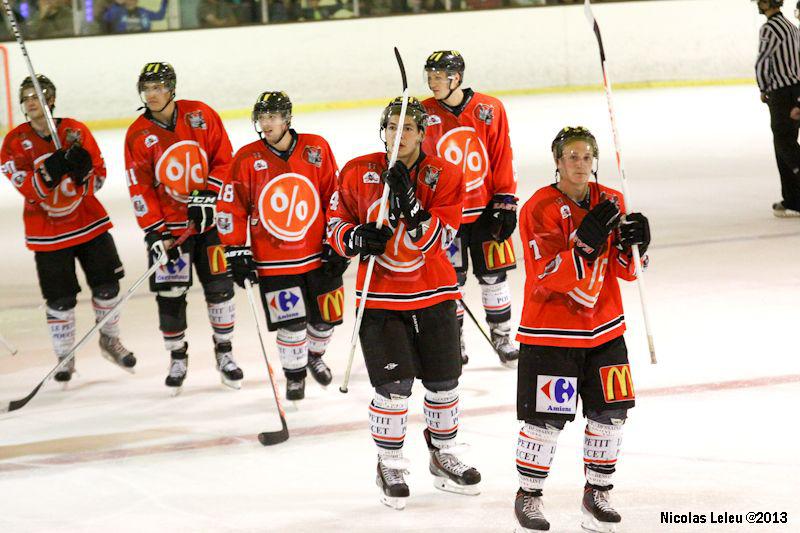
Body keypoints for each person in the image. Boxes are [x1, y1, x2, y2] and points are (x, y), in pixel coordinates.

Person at [327, 96, 480, 510]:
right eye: (392, 127)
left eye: (408, 128)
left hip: (435, 292)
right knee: (394, 388)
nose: (399, 135)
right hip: (379, 296)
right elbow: (334, 223)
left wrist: (411, 203)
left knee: (444, 382)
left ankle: (442, 454)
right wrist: (355, 237)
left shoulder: (445, 175)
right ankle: (389, 462)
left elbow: (437, 242)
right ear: (384, 130)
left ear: (422, 133)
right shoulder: (358, 170)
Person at [513, 127, 651, 532]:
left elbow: (627, 272)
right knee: (545, 421)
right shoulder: (538, 207)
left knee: (611, 414)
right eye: (571, 156)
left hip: (605, 328)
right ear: (556, 161)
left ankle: (598, 493)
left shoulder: (613, 199)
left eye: (586, 156)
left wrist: (637, 245)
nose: (579, 164)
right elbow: (546, 276)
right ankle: (529, 495)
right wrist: (586, 245)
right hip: (550, 333)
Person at [0, 75, 134, 383]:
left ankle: (109, 339)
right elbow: (30, 190)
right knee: (60, 300)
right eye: (26, 97)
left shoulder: (75, 131)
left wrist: (82, 172)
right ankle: (64, 356)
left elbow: (99, 179)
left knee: (108, 287)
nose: (31, 101)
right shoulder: (13, 144)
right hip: (47, 232)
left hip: (89, 222)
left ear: (51, 100)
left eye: (38, 95)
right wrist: (52, 168)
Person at [217, 91, 347, 400]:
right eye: (262, 117)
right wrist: (236, 249)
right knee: (291, 324)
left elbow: (335, 195)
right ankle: (294, 375)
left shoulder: (316, 148)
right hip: (273, 258)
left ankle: (314, 355)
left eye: (272, 116)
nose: (266, 123)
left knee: (326, 318)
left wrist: (337, 239)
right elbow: (231, 206)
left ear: (287, 118)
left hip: (318, 252)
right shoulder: (247, 158)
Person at [124, 62, 242, 394]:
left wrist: (208, 195)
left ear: (172, 89)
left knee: (220, 288)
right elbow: (140, 187)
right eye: (147, 89)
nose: (153, 94)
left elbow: (225, 158)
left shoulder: (201, 115)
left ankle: (225, 352)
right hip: (171, 232)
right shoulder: (138, 134)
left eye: (159, 87)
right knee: (170, 294)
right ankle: (178, 357)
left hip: (210, 224)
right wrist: (155, 231)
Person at [421, 50, 519, 367]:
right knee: (452, 281)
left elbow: (501, 155)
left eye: (439, 77)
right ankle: (455, 339)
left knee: (494, 277)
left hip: (486, 211)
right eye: (430, 76)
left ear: (457, 78)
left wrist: (506, 201)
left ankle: (502, 336)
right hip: (447, 216)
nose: (433, 82)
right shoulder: (423, 113)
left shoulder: (490, 108)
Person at [755, 0, 800, 217]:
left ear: (767, 3)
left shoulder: (769, 28)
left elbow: (763, 62)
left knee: (784, 144)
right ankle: (793, 200)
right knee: (784, 144)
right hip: (796, 92)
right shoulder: (792, 27)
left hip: (781, 94)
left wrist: (763, 88)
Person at [103, 0, 168, 33]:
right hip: (123, 45)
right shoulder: (118, 12)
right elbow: (106, 17)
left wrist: (165, 1)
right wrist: (117, 4)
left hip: (144, 43)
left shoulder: (143, 12)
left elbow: (159, 16)